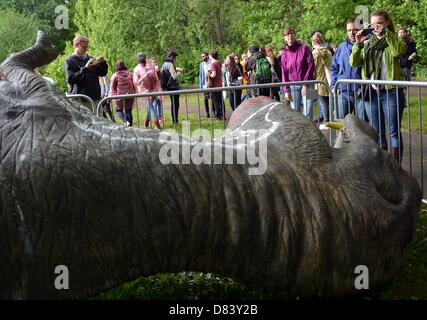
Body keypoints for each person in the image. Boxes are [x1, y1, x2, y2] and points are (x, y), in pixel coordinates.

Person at [350, 9, 407, 162]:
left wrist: (387, 34)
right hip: (372, 93)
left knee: (393, 131)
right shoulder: (368, 43)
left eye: (380, 24)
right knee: (378, 132)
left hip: (391, 92)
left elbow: (398, 52)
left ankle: (396, 169)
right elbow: (354, 62)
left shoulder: (393, 41)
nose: (376, 28)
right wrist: (358, 44)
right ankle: (384, 169)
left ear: (387, 23)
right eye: (373, 24)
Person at [330, 17, 364, 120]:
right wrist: (334, 85)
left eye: (355, 30)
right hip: (343, 91)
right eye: (349, 30)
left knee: (361, 125)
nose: (352, 33)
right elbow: (334, 67)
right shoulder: (341, 47)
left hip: (361, 93)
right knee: (340, 124)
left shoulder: (367, 45)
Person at [64, 35, 108, 113]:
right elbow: (71, 79)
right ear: (76, 45)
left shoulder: (90, 58)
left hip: (96, 98)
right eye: (84, 47)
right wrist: (85, 68)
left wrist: (103, 63)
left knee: (100, 124)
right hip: (81, 100)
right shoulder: (69, 61)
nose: (86, 49)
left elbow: (102, 73)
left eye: (87, 47)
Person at [281, 27, 315, 119]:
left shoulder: (305, 47)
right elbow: (284, 73)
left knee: (309, 111)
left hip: (309, 84)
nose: (290, 36)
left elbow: (311, 65)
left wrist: (305, 84)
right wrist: (286, 91)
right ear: (284, 38)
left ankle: (310, 132)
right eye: (287, 34)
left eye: (291, 33)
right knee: (295, 113)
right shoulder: (284, 54)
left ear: (295, 35)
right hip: (293, 86)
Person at [134, 52, 161, 129]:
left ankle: (157, 124)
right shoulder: (151, 65)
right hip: (153, 89)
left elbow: (136, 82)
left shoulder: (136, 69)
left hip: (144, 91)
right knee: (149, 106)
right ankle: (146, 121)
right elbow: (156, 77)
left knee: (150, 107)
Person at [311, 32, 332, 123]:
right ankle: (326, 118)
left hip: (318, 80)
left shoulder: (315, 53)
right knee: (327, 101)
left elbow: (313, 68)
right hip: (329, 79)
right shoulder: (328, 51)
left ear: (313, 42)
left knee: (322, 102)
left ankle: (326, 121)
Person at [109, 60, 135, 126]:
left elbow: (112, 87)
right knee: (128, 111)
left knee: (118, 110)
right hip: (130, 95)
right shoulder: (130, 74)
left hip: (119, 96)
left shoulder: (115, 75)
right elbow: (134, 83)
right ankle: (130, 126)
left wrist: (111, 96)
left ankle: (126, 122)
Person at [161, 50, 183, 124]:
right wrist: (180, 72)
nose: (175, 59)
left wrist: (176, 69)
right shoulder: (170, 64)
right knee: (176, 104)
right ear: (171, 57)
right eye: (175, 57)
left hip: (168, 86)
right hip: (173, 86)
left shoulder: (164, 64)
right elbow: (174, 76)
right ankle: (175, 120)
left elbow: (166, 72)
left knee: (173, 103)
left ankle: (174, 119)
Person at [207, 49, 224, 120]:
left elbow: (214, 75)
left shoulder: (213, 64)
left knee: (215, 101)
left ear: (211, 55)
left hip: (214, 85)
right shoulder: (219, 62)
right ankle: (222, 114)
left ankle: (218, 116)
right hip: (219, 84)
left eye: (209, 55)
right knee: (220, 100)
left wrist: (209, 74)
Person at [199, 51, 212, 117]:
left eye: (203, 56)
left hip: (211, 83)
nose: (202, 57)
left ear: (207, 56)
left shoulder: (211, 63)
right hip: (204, 84)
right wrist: (201, 85)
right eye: (202, 56)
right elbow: (200, 75)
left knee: (212, 98)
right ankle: (207, 113)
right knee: (205, 98)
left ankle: (213, 111)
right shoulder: (201, 64)